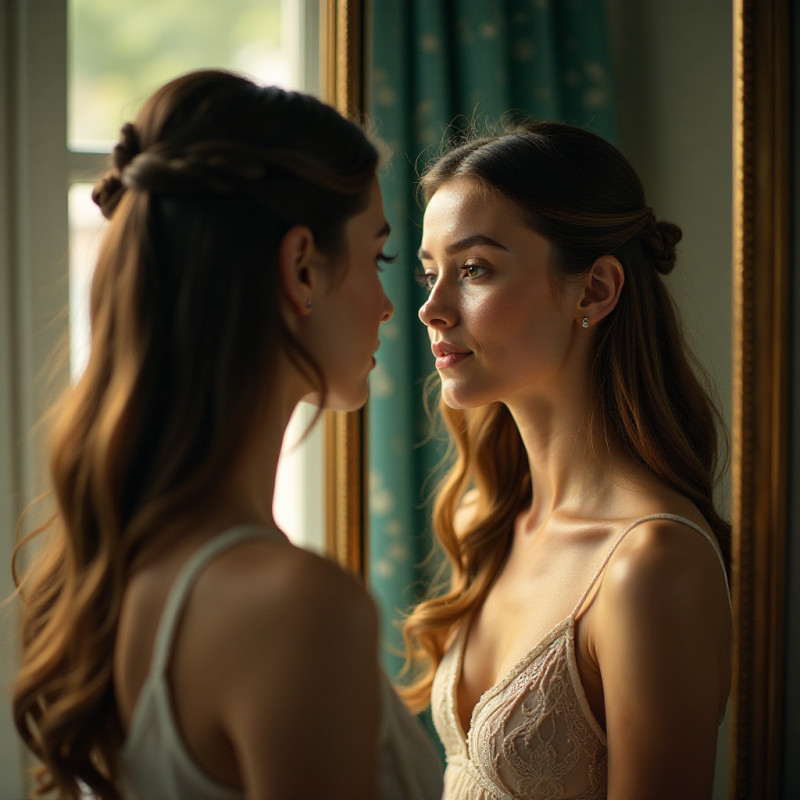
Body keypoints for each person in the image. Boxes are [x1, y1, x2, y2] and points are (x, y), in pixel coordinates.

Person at [12, 69, 443, 800]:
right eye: (381, 258)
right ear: (302, 266)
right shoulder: (293, 608)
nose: (391, 306)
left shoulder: (110, 575)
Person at [402, 121, 732, 799]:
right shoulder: (486, 517)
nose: (430, 310)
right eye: (429, 272)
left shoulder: (651, 564)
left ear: (596, 290)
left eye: (473, 270)